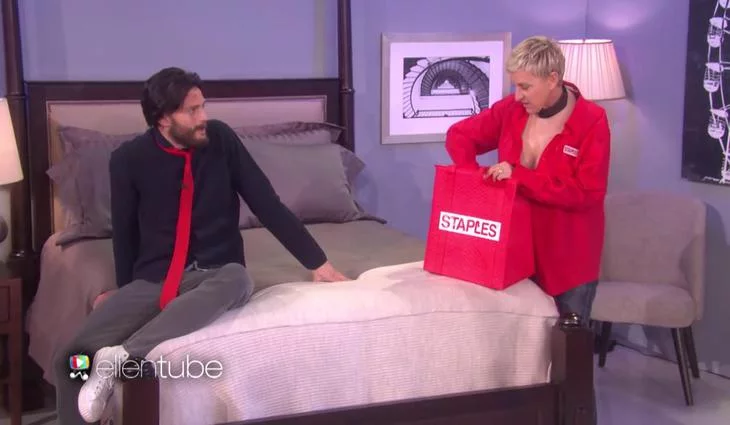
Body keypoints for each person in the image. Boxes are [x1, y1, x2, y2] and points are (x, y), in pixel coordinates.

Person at [54, 67, 348, 424]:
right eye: (192, 111)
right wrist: (124, 290)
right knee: (70, 359)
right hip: (155, 278)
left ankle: (124, 356)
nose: (203, 117)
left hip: (216, 272)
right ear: (163, 118)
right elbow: (126, 235)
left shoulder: (221, 140)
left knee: (238, 279)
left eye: (203, 106)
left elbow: (266, 203)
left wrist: (317, 262)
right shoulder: (128, 159)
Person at [445, 35, 607, 421]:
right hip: (517, 254)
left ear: (552, 79)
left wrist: (518, 176)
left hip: (569, 258)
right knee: (521, 356)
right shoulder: (512, 109)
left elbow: (587, 193)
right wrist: (476, 181)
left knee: (570, 364)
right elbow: (460, 136)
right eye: (515, 86)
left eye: (525, 86)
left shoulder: (592, 121)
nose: (518, 95)